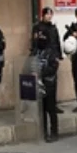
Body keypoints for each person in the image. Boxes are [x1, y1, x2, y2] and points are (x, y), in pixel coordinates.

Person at [31, 7, 63, 142]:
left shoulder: (51, 52)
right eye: (47, 14)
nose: (49, 17)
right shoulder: (36, 52)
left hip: (48, 80)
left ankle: (54, 132)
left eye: (51, 14)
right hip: (39, 80)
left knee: (50, 106)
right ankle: (43, 132)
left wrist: (42, 74)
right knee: (41, 108)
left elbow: (54, 65)